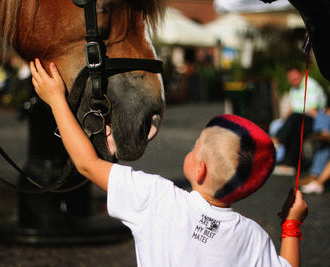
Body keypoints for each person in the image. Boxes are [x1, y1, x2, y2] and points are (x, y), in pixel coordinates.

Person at [30, 58, 308, 267]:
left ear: (200, 169)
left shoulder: (157, 198)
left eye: (195, 146)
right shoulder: (252, 237)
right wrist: (290, 225)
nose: (192, 148)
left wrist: (55, 99)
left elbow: (87, 164)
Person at [273, 65, 326, 176]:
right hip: (300, 120)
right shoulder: (294, 89)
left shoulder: (311, 85)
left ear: (301, 75)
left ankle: (276, 141)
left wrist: (293, 113)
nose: (293, 81)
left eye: (295, 78)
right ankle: (288, 164)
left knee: (295, 118)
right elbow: (294, 107)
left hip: (316, 121)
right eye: (291, 79)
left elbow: (312, 109)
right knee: (296, 130)